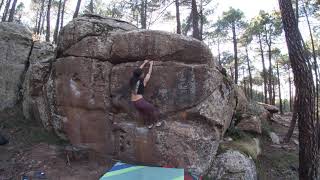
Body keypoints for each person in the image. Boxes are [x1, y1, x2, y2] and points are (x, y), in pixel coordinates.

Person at [130, 60, 162, 129]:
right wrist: (151, 64)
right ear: (140, 75)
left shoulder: (133, 79)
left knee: (144, 112)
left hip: (134, 102)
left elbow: (138, 71)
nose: (143, 73)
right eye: (142, 73)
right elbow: (149, 74)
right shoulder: (143, 82)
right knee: (153, 109)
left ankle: (149, 124)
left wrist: (144, 63)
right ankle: (157, 122)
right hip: (140, 101)